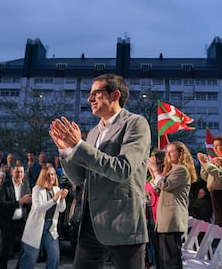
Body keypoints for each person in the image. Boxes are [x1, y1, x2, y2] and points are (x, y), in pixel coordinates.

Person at [49, 73, 151, 269]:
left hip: (123, 222)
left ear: (115, 95)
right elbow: (79, 178)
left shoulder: (136, 123)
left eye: (96, 93)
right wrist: (67, 151)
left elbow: (123, 169)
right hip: (91, 225)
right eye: (89, 94)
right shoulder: (94, 132)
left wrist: (79, 145)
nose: (90, 99)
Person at [151, 141, 197, 269]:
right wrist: (153, 174)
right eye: (167, 152)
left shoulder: (181, 169)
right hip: (166, 219)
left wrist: (155, 171)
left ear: (180, 154)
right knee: (166, 258)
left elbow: (166, 185)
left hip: (172, 218)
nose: (168, 154)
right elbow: (160, 189)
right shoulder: (173, 170)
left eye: (172, 151)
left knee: (172, 258)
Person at [20, 165, 68, 269]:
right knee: (30, 258)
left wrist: (62, 199)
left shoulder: (56, 189)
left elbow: (61, 209)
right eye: (48, 175)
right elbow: (39, 208)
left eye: (53, 174)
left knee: (55, 255)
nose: (51, 177)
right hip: (36, 227)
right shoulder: (37, 189)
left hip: (50, 227)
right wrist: (54, 200)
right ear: (43, 176)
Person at [0, 163, 31, 269]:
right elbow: (1, 203)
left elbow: (29, 203)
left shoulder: (26, 184)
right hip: (8, 223)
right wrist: (19, 202)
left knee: (24, 249)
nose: (19, 174)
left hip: (21, 222)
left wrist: (29, 201)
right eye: (17, 172)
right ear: (12, 172)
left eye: (21, 172)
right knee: (5, 252)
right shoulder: (6, 184)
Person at [198, 134, 222, 229]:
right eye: (214, 146)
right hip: (214, 192)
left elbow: (221, 177)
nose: (215, 149)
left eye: (217, 146)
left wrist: (207, 164)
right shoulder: (216, 160)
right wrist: (204, 164)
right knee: (219, 222)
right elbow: (206, 177)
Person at [145, 149, 165, 269]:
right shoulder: (150, 178)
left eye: (152, 163)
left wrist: (155, 174)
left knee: (161, 249)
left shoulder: (162, 177)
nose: (150, 166)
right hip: (151, 215)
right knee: (156, 248)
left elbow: (158, 190)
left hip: (161, 216)